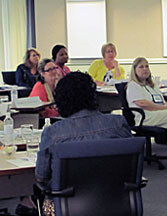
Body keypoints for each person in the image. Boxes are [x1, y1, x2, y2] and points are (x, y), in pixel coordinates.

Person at [35, 72, 133, 216]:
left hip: (68, 206)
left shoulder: (53, 133)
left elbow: (41, 176)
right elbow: (131, 167)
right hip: (116, 202)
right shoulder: (118, 123)